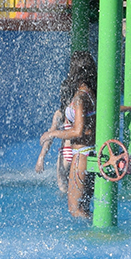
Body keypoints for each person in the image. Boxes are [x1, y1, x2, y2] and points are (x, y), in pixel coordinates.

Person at [39, 52, 96, 218]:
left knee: (75, 209)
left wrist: (53, 133)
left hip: (81, 155)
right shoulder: (90, 93)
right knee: (83, 208)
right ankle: (93, 236)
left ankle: (96, 235)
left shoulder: (79, 97)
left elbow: (78, 130)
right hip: (89, 152)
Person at [34, 102, 69, 194]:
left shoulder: (60, 113)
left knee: (63, 188)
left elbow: (50, 137)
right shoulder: (82, 106)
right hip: (80, 151)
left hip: (66, 153)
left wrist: (41, 157)